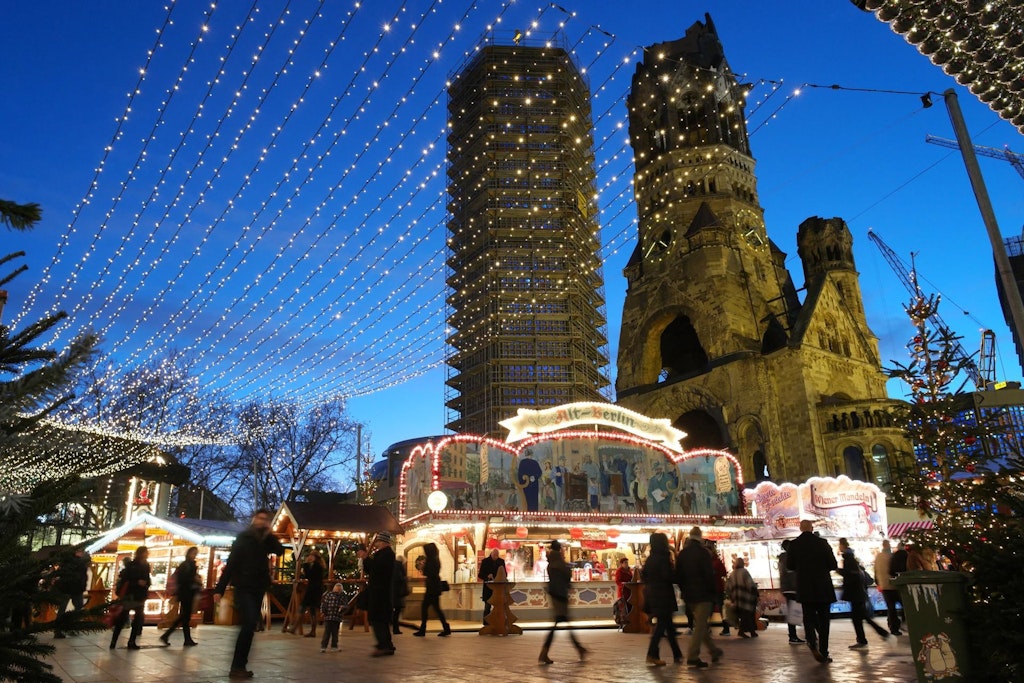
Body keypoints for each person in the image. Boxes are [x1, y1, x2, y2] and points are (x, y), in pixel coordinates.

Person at [214, 508, 286, 679]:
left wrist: (270, 533)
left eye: (265, 519)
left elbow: (280, 550)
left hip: (258, 587)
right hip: (244, 586)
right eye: (260, 518)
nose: (262, 522)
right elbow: (231, 564)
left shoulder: (265, 539)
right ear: (254, 519)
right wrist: (219, 589)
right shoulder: (244, 539)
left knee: (250, 625)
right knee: (248, 624)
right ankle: (237, 666)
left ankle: (240, 665)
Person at [787, 519, 839, 664]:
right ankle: (824, 650)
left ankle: (811, 642)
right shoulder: (822, 543)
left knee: (808, 617)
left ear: (800, 528)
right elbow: (833, 564)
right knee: (824, 620)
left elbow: (790, 566)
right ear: (812, 528)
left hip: (805, 587)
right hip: (823, 587)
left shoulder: (794, 544)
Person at [675, 526, 723, 668]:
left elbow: (678, 576)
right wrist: (712, 592)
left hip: (689, 596)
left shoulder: (682, 554)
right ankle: (692, 656)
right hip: (703, 594)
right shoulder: (704, 553)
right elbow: (709, 575)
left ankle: (714, 651)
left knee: (701, 625)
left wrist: (685, 590)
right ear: (700, 537)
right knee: (700, 626)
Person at [538, 540, 586, 665]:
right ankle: (545, 652)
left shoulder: (551, 562)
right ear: (559, 549)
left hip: (555, 594)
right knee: (560, 623)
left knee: (561, 622)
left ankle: (579, 648)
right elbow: (566, 575)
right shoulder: (559, 562)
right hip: (560, 595)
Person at [838, 538, 889, 649]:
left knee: (859, 618)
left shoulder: (848, 559)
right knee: (862, 617)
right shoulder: (852, 559)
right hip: (858, 593)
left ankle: (873, 637)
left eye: (839, 545)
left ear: (842, 546)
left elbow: (850, 576)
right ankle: (877, 636)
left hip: (855, 594)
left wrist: (839, 571)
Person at [641, 532, 683, 666]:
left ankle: (677, 654)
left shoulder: (650, 559)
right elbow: (669, 576)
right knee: (662, 626)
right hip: (664, 595)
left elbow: (644, 576)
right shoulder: (663, 558)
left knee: (668, 626)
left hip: (653, 595)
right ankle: (651, 654)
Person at [110, 546, 152, 650]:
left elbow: (147, 578)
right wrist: (137, 582)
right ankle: (115, 640)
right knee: (123, 617)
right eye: (145, 553)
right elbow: (126, 580)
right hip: (131, 594)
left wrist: (146, 584)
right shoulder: (132, 565)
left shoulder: (146, 565)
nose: (146, 554)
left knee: (137, 619)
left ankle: (131, 641)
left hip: (140, 595)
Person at [362, 531, 396, 656]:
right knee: (380, 619)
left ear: (383, 542)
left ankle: (384, 645)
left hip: (380, 593)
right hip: (380, 592)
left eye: (378, 542)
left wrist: (366, 558)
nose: (376, 544)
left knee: (378, 619)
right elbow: (372, 569)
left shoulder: (387, 555)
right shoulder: (382, 554)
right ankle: (386, 644)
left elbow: (377, 570)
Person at [160, 546, 201, 647]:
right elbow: (184, 580)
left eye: (195, 553)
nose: (194, 555)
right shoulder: (186, 565)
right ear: (189, 554)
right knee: (184, 616)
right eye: (193, 553)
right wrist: (195, 580)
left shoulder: (190, 564)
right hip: (186, 593)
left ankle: (183, 638)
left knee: (185, 617)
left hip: (188, 593)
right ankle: (173, 636)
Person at [413, 542, 451, 637]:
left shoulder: (431, 560)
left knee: (425, 608)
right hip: (435, 587)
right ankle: (446, 628)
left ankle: (423, 629)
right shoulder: (436, 559)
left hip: (432, 588)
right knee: (436, 609)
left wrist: (423, 567)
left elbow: (427, 572)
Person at [52, 548, 89, 639]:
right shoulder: (81, 563)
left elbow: (61, 574)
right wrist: (82, 587)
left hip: (65, 588)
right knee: (78, 607)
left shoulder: (65, 563)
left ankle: (58, 629)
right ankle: (71, 626)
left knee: (62, 608)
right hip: (76, 589)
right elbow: (82, 577)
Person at [725, 557, 759, 638]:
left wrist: (731, 596)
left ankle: (750, 632)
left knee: (744, 615)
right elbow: (750, 584)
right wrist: (756, 593)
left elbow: (727, 587)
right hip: (745, 597)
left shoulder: (732, 573)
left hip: (736, 598)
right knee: (747, 614)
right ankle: (748, 632)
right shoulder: (744, 572)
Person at [779, 539, 804, 643]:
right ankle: (793, 636)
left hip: (787, 588)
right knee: (794, 612)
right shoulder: (788, 558)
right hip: (792, 589)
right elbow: (792, 574)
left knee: (793, 611)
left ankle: (793, 635)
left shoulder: (782, 558)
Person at [874, 540, 902, 635]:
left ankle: (893, 627)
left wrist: (878, 583)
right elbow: (894, 570)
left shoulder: (878, 557)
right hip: (893, 585)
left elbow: (876, 571)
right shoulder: (891, 556)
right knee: (899, 605)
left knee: (891, 608)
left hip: (884, 586)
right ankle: (897, 625)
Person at [297, 549, 326, 638]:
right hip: (313, 589)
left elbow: (309, 576)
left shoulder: (317, 566)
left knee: (308, 608)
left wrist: (305, 565)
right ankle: (296, 628)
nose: (310, 557)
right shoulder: (316, 566)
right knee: (308, 608)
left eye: (312, 556)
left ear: (315, 558)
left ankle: (310, 631)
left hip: (314, 590)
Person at [478, 548, 506, 625]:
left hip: (498, 588)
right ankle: (486, 624)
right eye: (494, 555)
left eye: (497, 555)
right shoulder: (485, 561)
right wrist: (487, 576)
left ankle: (498, 623)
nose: (495, 557)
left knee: (499, 606)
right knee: (487, 606)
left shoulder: (501, 562)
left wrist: (501, 577)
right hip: (488, 588)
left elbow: (505, 574)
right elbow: (480, 575)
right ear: (491, 554)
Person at [708, 541, 730, 636]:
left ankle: (725, 628)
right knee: (712, 609)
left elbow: (724, 573)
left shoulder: (715, 562)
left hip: (716, 588)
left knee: (718, 608)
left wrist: (715, 573)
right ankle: (709, 627)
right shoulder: (714, 562)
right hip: (714, 588)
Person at [319, 583, 345, 653]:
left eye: (339, 590)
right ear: (334, 589)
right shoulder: (329, 595)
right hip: (329, 617)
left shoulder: (342, 597)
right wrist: (323, 612)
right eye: (337, 589)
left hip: (336, 618)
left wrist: (342, 608)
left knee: (335, 633)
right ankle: (323, 646)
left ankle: (334, 646)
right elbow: (324, 604)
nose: (338, 591)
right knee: (327, 632)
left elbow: (345, 605)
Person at [391, 556, 408, 635]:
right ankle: (395, 628)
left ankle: (395, 628)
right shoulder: (398, 567)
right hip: (398, 592)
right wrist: (406, 579)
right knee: (397, 611)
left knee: (395, 610)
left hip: (394, 591)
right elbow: (400, 578)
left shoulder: (393, 566)